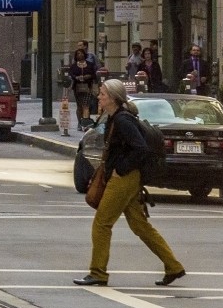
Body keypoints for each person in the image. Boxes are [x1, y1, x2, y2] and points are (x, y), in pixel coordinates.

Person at [74, 78, 185, 287]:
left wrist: (121, 169)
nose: (99, 97)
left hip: (124, 178)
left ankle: (98, 272)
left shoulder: (123, 120)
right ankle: (173, 266)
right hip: (127, 177)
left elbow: (140, 148)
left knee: (102, 223)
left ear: (114, 98)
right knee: (140, 225)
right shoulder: (117, 117)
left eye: (103, 94)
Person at [69, 48, 98, 131]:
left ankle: (86, 122)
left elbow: (94, 74)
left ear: (84, 54)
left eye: (81, 53)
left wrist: (88, 76)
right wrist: (76, 77)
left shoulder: (90, 64)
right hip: (77, 88)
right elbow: (71, 74)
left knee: (86, 105)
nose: (80, 55)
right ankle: (79, 122)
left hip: (88, 87)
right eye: (78, 54)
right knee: (79, 106)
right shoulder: (74, 66)